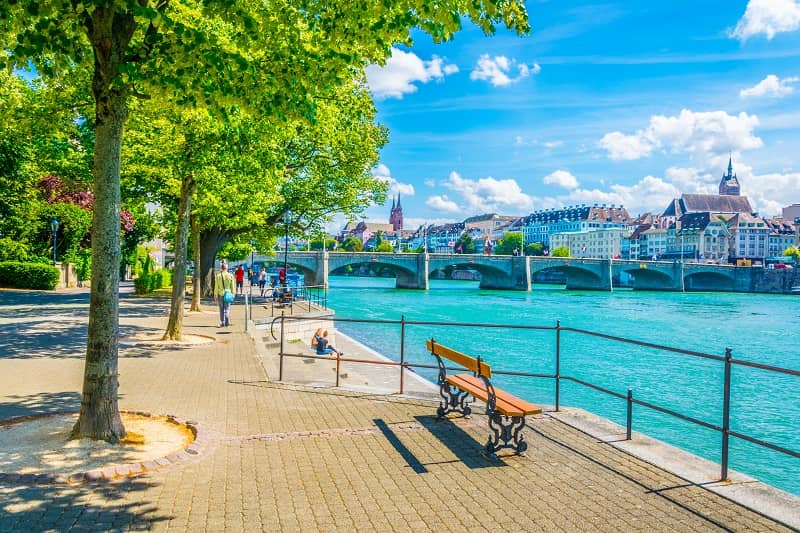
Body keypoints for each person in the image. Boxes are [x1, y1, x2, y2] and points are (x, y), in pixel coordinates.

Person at [213, 262, 235, 327]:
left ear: (221, 268)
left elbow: (216, 286)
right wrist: (233, 294)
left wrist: (215, 295)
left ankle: (222, 322)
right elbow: (232, 286)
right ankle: (227, 321)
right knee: (227, 309)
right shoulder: (230, 275)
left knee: (221, 309)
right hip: (228, 294)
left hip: (220, 294)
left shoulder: (218, 276)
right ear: (227, 268)